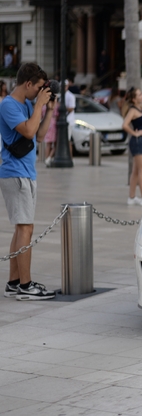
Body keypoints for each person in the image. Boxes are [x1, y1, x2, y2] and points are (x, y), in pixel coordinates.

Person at [0, 62, 56, 300]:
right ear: (28, 83)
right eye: (39, 88)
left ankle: (13, 282)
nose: (40, 93)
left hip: (26, 172)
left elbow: (41, 136)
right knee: (26, 228)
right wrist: (39, 106)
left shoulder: (28, 103)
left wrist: (49, 109)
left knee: (21, 227)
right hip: (15, 173)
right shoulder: (9, 105)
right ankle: (25, 285)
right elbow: (29, 132)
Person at [43, 102, 58, 167]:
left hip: (46, 123)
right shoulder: (55, 105)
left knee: (48, 144)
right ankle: (49, 158)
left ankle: (47, 159)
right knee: (55, 143)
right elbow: (57, 115)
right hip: (53, 123)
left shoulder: (43, 105)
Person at [64, 79, 76, 157]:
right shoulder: (61, 95)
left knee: (68, 140)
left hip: (68, 121)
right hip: (63, 121)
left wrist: (61, 107)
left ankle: (70, 157)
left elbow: (71, 108)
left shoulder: (70, 96)